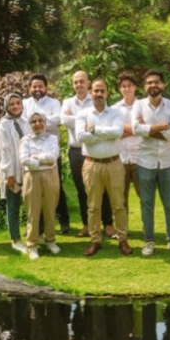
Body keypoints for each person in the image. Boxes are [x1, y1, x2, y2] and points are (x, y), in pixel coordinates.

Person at [76, 79, 133, 257]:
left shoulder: (115, 113)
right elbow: (80, 137)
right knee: (93, 206)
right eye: (96, 91)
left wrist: (93, 130)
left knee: (119, 204)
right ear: (90, 92)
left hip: (114, 163)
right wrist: (105, 132)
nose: (99, 94)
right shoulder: (83, 114)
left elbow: (118, 132)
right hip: (91, 165)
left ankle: (122, 239)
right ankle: (95, 240)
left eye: (102, 91)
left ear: (107, 93)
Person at [132, 70, 170, 256]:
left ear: (162, 85)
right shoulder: (138, 105)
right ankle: (149, 241)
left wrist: (148, 130)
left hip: (167, 163)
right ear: (145, 86)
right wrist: (162, 127)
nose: (153, 85)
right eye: (149, 82)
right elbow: (136, 129)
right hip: (145, 162)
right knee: (147, 205)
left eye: (156, 82)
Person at [61, 71, 115, 238]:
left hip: (94, 148)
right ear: (73, 84)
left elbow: (101, 122)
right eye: (75, 82)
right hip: (76, 151)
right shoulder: (68, 102)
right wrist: (83, 120)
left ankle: (108, 224)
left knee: (102, 187)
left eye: (82, 81)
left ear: (88, 83)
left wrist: (76, 119)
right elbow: (64, 121)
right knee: (81, 189)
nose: (79, 84)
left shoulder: (96, 99)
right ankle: (87, 224)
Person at [23, 74, 70, 234]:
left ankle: (64, 221)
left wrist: (36, 121)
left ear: (46, 87)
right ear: (30, 88)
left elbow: (58, 119)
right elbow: (24, 123)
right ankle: (37, 226)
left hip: (51, 151)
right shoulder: (25, 103)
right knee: (35, 190)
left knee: (56, 186)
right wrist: (43, 121)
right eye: (34, 86)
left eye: (40, 86)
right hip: (32, 153)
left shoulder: (54, 103)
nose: (37, 89)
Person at [19, 112, 62, 260]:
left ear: (45, 123)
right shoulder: (25, 140)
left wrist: (36, 157)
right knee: (33, 211)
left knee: (50, 208)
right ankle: (32, 244)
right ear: (30, 125)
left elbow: (53, 157)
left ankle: (50, 240)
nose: (37, 124)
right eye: (34, 122)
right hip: (32, 177)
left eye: (40, 121)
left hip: (50, 175)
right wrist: (42, 162)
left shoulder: (52, 138)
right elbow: (24, 160)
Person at [0, 93, 31, 254]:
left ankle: (34, 234)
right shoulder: (4, 124)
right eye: (12, 104)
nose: (15, 106)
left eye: (18, 103)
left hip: (28, 169)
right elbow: (4, 149)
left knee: (31, 204)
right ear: (7, 106)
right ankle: (16, 239)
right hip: (12, 170)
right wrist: (9, 174)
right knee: (13, 205)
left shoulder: (26, 122)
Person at [112, 72, 141, 212]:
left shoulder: (143, 106)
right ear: (120, 89)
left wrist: (123, 129)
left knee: (144, 196)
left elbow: (146, 129)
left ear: (135, 87)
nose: (127, 89)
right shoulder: (114, 109)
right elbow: (114, 132)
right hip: (121, 158)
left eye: (129, 85)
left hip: (140, 158)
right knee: (121, 198)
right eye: (123, 86)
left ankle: (148, 225)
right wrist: (136, 129)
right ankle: (123, 225)